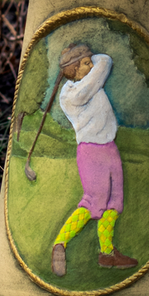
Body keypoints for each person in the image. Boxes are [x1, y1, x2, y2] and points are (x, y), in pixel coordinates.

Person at [50, 40, 138, 278]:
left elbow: (100, 62)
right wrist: (81, 60)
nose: (91, 65)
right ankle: (60, 243)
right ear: (74, 71)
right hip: (91, 152)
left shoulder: (85, 79)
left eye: (90, 62)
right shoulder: (74, 94)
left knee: (114, 201)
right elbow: (105, 61)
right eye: (85, 64)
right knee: (94, 201)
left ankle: (107, 253)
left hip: (109, 147)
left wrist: (76, 56)